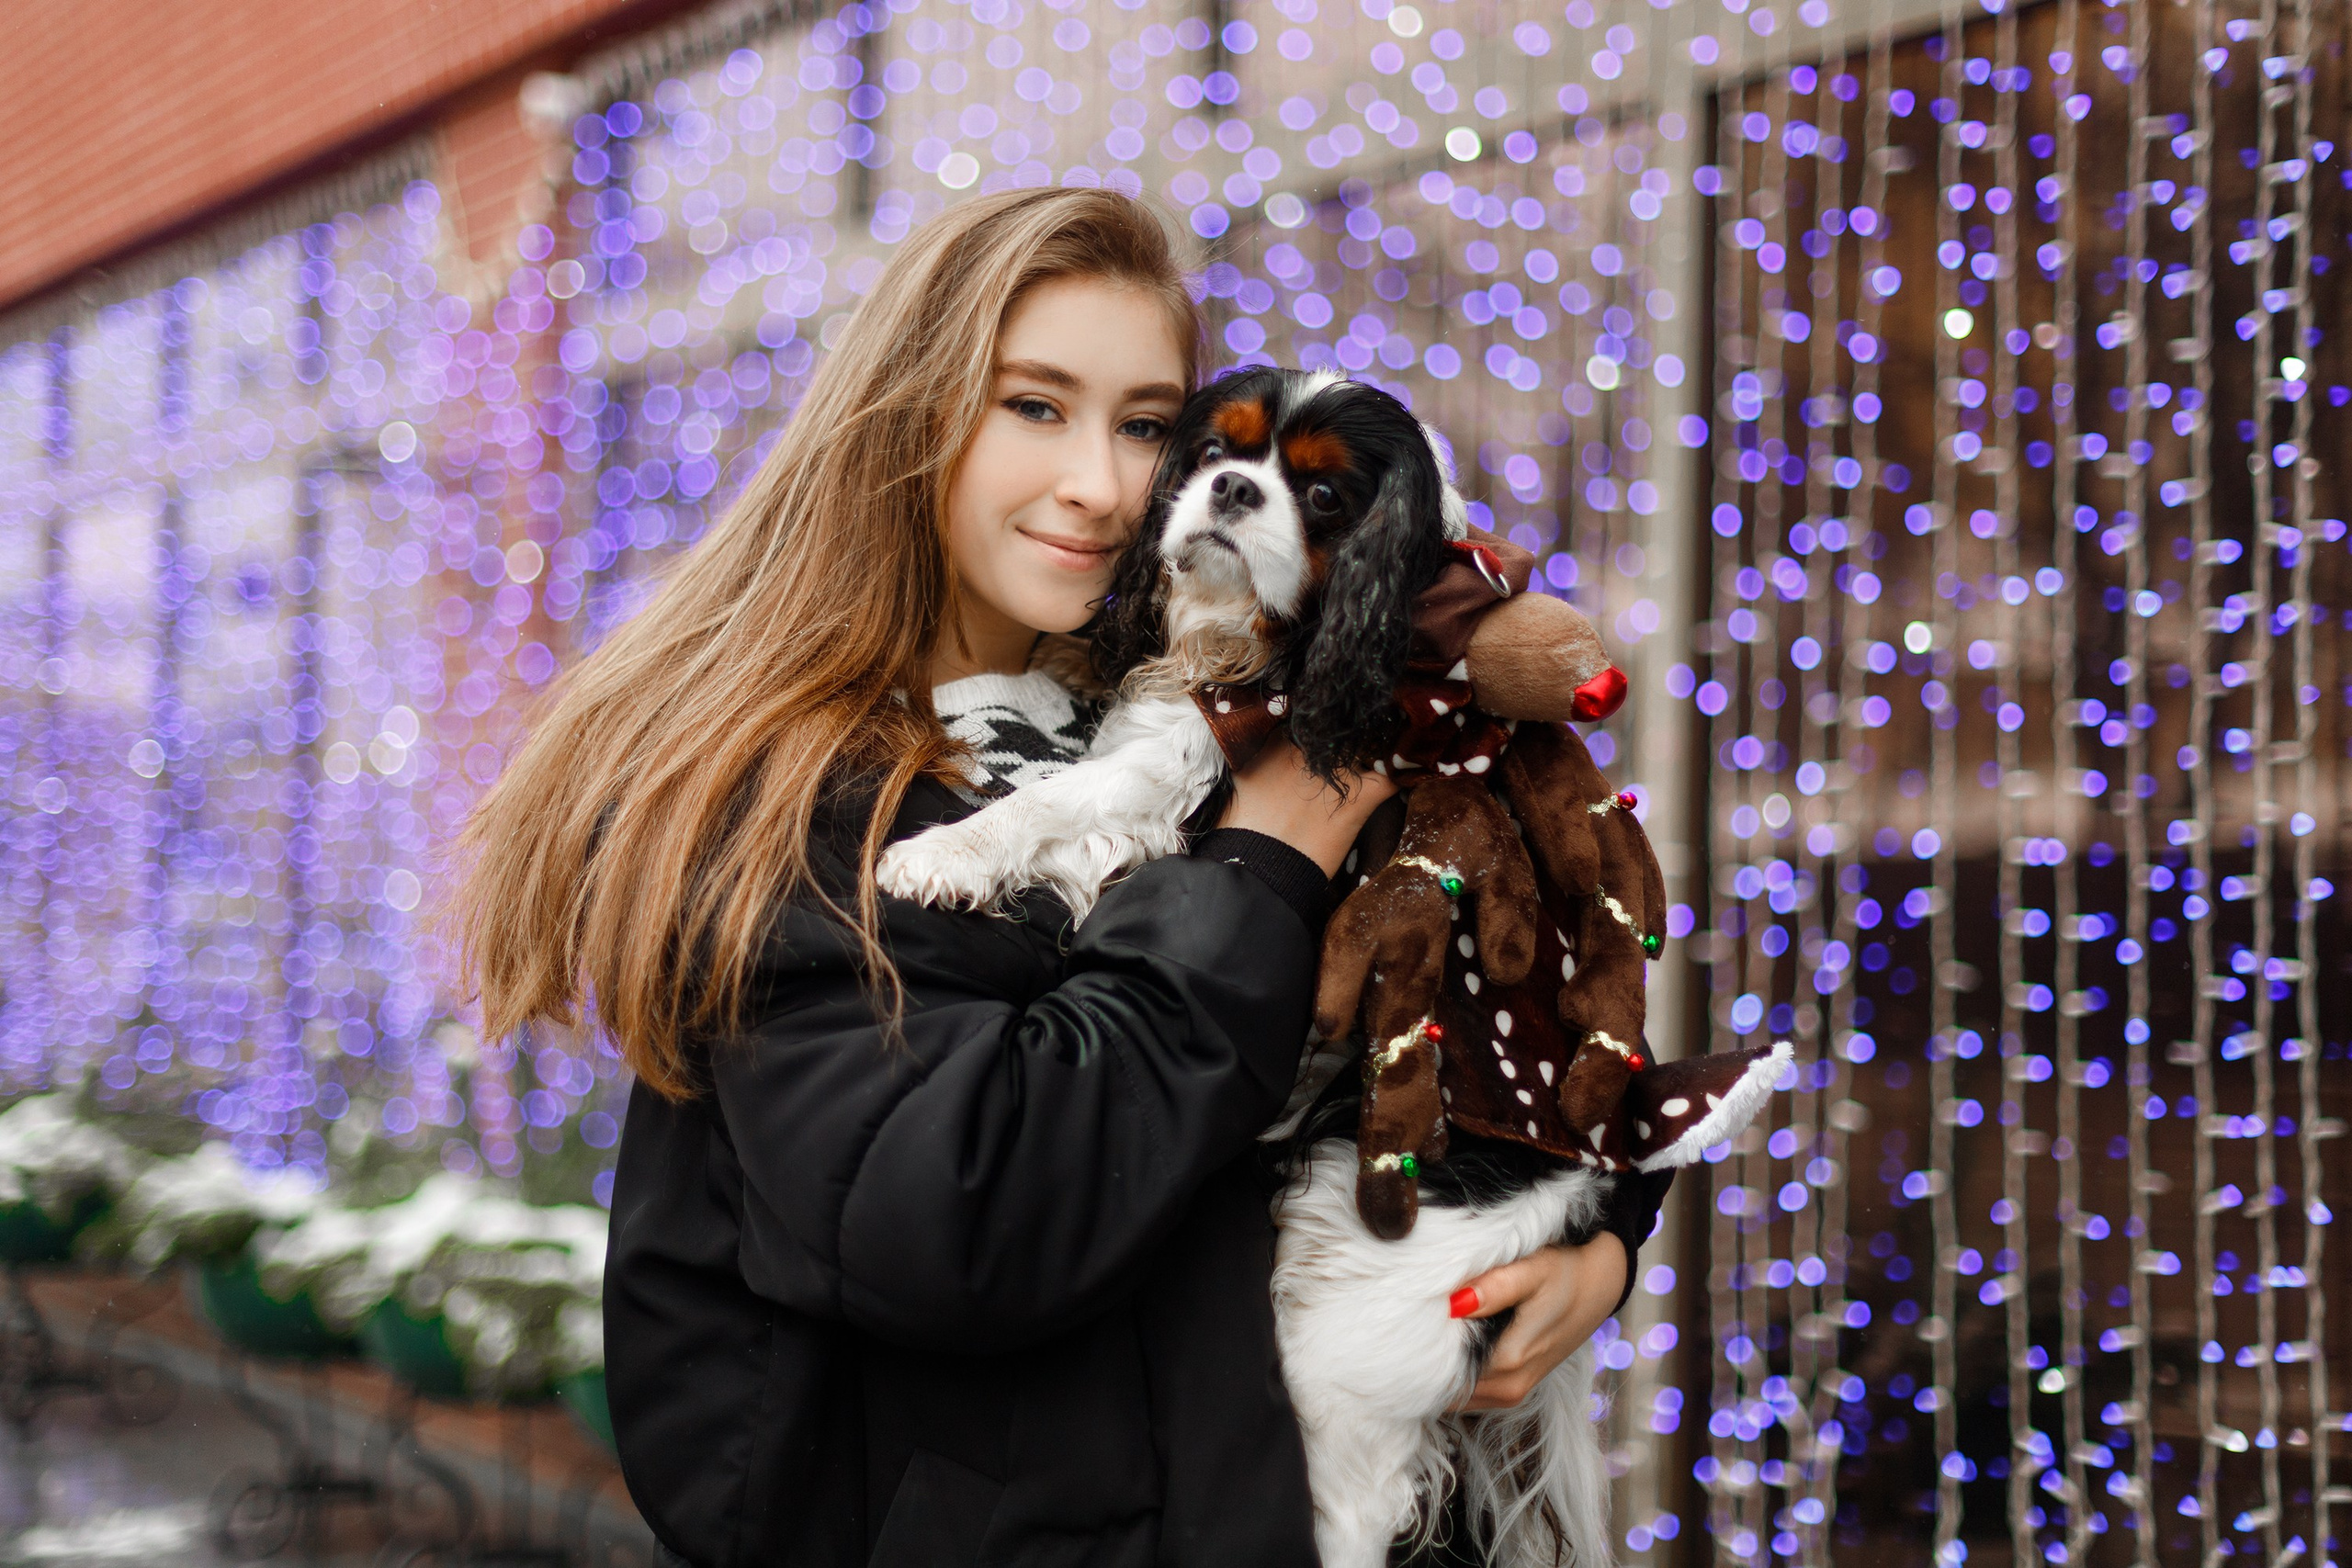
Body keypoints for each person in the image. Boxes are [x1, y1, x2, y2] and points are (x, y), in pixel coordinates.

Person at [451, 187, 1661, 1568]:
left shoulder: (1191, 697)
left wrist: (1597, 1236)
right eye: (1034, 406)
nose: (1102, 484)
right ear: (909, 424)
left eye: (1147, 424)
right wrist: (1264, 860)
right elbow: (965, 1212)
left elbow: (1506, 991)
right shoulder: (793, 801)